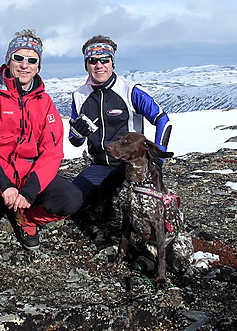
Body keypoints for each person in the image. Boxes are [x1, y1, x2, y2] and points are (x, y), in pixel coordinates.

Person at [0, 29, 83, 252]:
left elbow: (52, 151)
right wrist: (4, 186)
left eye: (32, 60)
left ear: (38, 67)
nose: (25, 65)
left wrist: (30, 190)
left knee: (70, 199)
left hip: (28, 176)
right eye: (19, 58)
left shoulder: (45, 103)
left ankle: (26, 217)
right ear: (8, 60)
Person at [69, 35, 172, 219]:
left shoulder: (130, 91)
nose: (99, 65)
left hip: (131, 165)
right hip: (100, 166)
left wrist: (157, 159)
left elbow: (163, 120)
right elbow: (75, 141)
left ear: (112, 63)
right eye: (93, 61)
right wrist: (77, 134)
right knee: (70, 203)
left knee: (135, 211)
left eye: (104, 60)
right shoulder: (80, 96)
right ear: (87, 65)